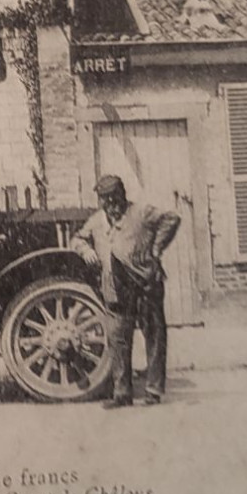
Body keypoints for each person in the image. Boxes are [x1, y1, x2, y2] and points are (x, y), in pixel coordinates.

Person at [70, 174, 182, 409]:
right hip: (115, 288)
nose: (110, 205)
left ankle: (153, 391)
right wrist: (86, 250)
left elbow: (171, 219)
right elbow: (77, 238)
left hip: (145, 285)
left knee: (154, 337)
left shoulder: (141, 212)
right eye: (105, 200)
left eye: (114, 198)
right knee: (118, 340)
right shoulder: (97, 221)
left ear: (122, 196)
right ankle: (122, 394)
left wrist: (156, 248)